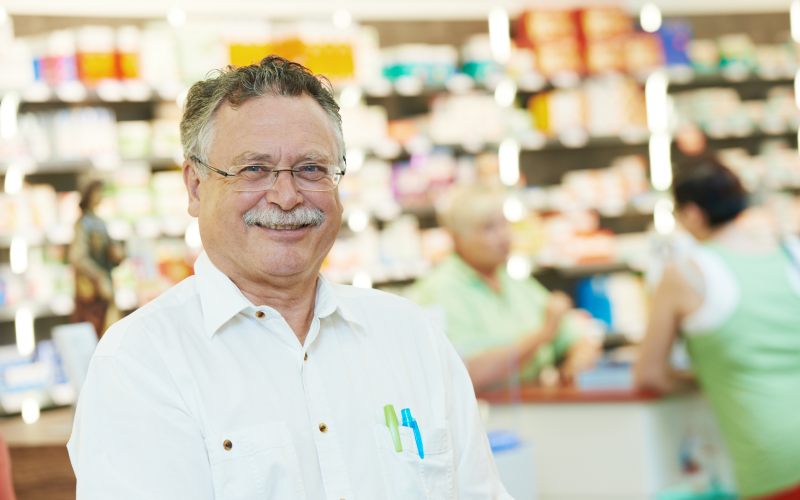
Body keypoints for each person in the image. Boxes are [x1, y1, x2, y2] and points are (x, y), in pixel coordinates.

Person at [67, 56, 510, 500]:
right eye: (254, 169)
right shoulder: (143, 362)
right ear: (195, 186)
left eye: (311, 168)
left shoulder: (412, 338)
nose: (286, 195)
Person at [634, 157, 800, 499]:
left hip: (773, 457)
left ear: (693, 213)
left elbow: (649, 374)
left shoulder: (687, 274)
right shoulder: (791, 254)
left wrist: (701, 376)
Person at [409, 184, 600, 393]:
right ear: (456, 238)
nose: (504, 237)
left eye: (505, 225)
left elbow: (577, 337)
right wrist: (543, 334)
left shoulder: (516, 284)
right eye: (488, 228)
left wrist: (572, 369)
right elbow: (464, 374)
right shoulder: (437, 292)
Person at [68, 180, 124, 337]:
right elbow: (77, 257)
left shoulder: (100, 223)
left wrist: (116, 254)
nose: (100, 197)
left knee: (109, 326)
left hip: (104, 287)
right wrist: (98, 277)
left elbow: (110, 250)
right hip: (91, 290)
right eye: (97, 193)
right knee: (93, 328)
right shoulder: (83, 224)